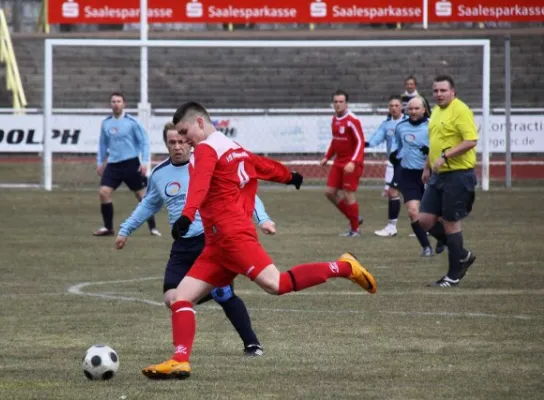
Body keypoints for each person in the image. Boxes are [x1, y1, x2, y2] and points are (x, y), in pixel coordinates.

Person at [141, 102, 377, 380]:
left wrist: (186, 215)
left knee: (276, 284)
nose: (185, 139)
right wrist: (290, 176)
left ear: (200, 123)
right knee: (181, 298)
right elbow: (259, 165)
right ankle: (180, 360)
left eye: (185, 131)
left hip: (232, 236)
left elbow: (201, 184)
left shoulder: (206, 149)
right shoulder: (231, 146)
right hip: (216, 244)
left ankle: (344, 267)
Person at [115, 122, 274, 357]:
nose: (178, 147)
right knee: (172, 298)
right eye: (172, 143)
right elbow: (149, 203)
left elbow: (243, 190)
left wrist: (263, 219)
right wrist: (125, 230)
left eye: (181, 142)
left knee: (224, 294)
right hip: (182, 245)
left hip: (211, 239)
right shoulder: (160, 174)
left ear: (189, 142)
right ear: (166, 144)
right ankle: (205, 296)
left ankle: (252, 344)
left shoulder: (207, 165)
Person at [419, 75, 478, 287]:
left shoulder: (460, 110)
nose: (439, 94)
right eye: (435, 91)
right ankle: (462, 253)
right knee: (424, 219)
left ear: (452, 91)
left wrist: (445, 157)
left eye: (443, 90)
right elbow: (435, 142)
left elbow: (471, 140)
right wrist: (427, 166)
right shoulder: (435, 111)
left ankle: (453, 276)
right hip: (438, 175)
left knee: (451, 223)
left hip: (458, 174)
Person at [93, 92, 161, 237]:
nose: (116, 104)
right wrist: (100, 162)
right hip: (113, 165)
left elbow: (144, 142)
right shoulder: (106, 123)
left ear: (124, 104)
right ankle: (108, 228)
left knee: (142, 197)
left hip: (131, 164)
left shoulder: (132, 123)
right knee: (104, 193)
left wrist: (144, 162)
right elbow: (103, 144)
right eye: (113, 101)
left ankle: (153, 227)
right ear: (110, 104)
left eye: (118, 101)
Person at [389, 97, 434, 257]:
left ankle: (444, 239)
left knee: (434, 217)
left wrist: (429, 155)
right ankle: (426, 247)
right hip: (408, 174)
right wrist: (395, 155)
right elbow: (399, 146)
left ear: (424, 109)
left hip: (429, 175)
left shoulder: (432, 126)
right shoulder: (401, 127)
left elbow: (440, 148)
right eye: (411, 109)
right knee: (413, 212)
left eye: (417, 109)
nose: (413, 112)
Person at [319, 89, 365, 237]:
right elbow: (335, 140)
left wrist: (353, 162)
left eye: (341, 102)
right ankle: (354, 218)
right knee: (329, 192)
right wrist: (327, 156)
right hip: (339, 162)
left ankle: (355, 230)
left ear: (347, 103)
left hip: (351, 163)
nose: (338, 104)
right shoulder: (334, 119)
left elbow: (360, 142)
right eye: (335, 102)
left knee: (348, 194)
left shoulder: (352, 120)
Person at [365, 95, 408, 237]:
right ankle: (392, 227)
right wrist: (366, 144)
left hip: (411, 163)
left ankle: (425, 226)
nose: (394, 108)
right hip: (396, 164)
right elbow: (377, 137)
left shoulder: (409, 122)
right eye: (391, 106)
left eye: (396, 105)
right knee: (393, 192)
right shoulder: (386, 124)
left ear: (402, 107)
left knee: (414, 194)